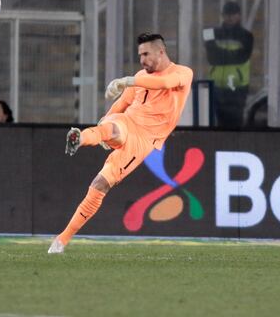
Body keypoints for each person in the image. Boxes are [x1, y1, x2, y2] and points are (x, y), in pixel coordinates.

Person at [48, 33, 192, 254]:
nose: (142, 59)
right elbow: (122, 103)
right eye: (139, 55)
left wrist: (127, 80)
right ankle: (81, 138)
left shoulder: (182, 73)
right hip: (128, 122)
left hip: (143, 140)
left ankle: (61, 240)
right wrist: (105, 118)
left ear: (161, 52)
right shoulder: (140, 77)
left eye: (146, 54)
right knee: (112, 127)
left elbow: (163, 82)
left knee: (99, 185)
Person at [203, 1, 254, 128]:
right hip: (217, 87)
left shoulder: (247, 36)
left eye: (233, 14)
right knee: (216, 124)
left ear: (239, 16)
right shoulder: (210, 32)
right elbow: (212, 58)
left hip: (237, 88)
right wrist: (230, 55)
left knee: (235, 125)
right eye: (227, 14)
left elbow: (241, 57)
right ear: (222, 15)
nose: (230, 17)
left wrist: (220, 54)